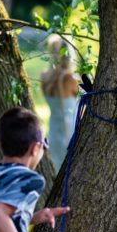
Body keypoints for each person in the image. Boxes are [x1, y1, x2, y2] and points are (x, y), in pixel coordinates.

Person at [40, 34, 79, 170]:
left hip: (54, 131)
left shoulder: (45, 77)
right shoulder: (71, 78)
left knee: (57, 169)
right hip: (71, 130)